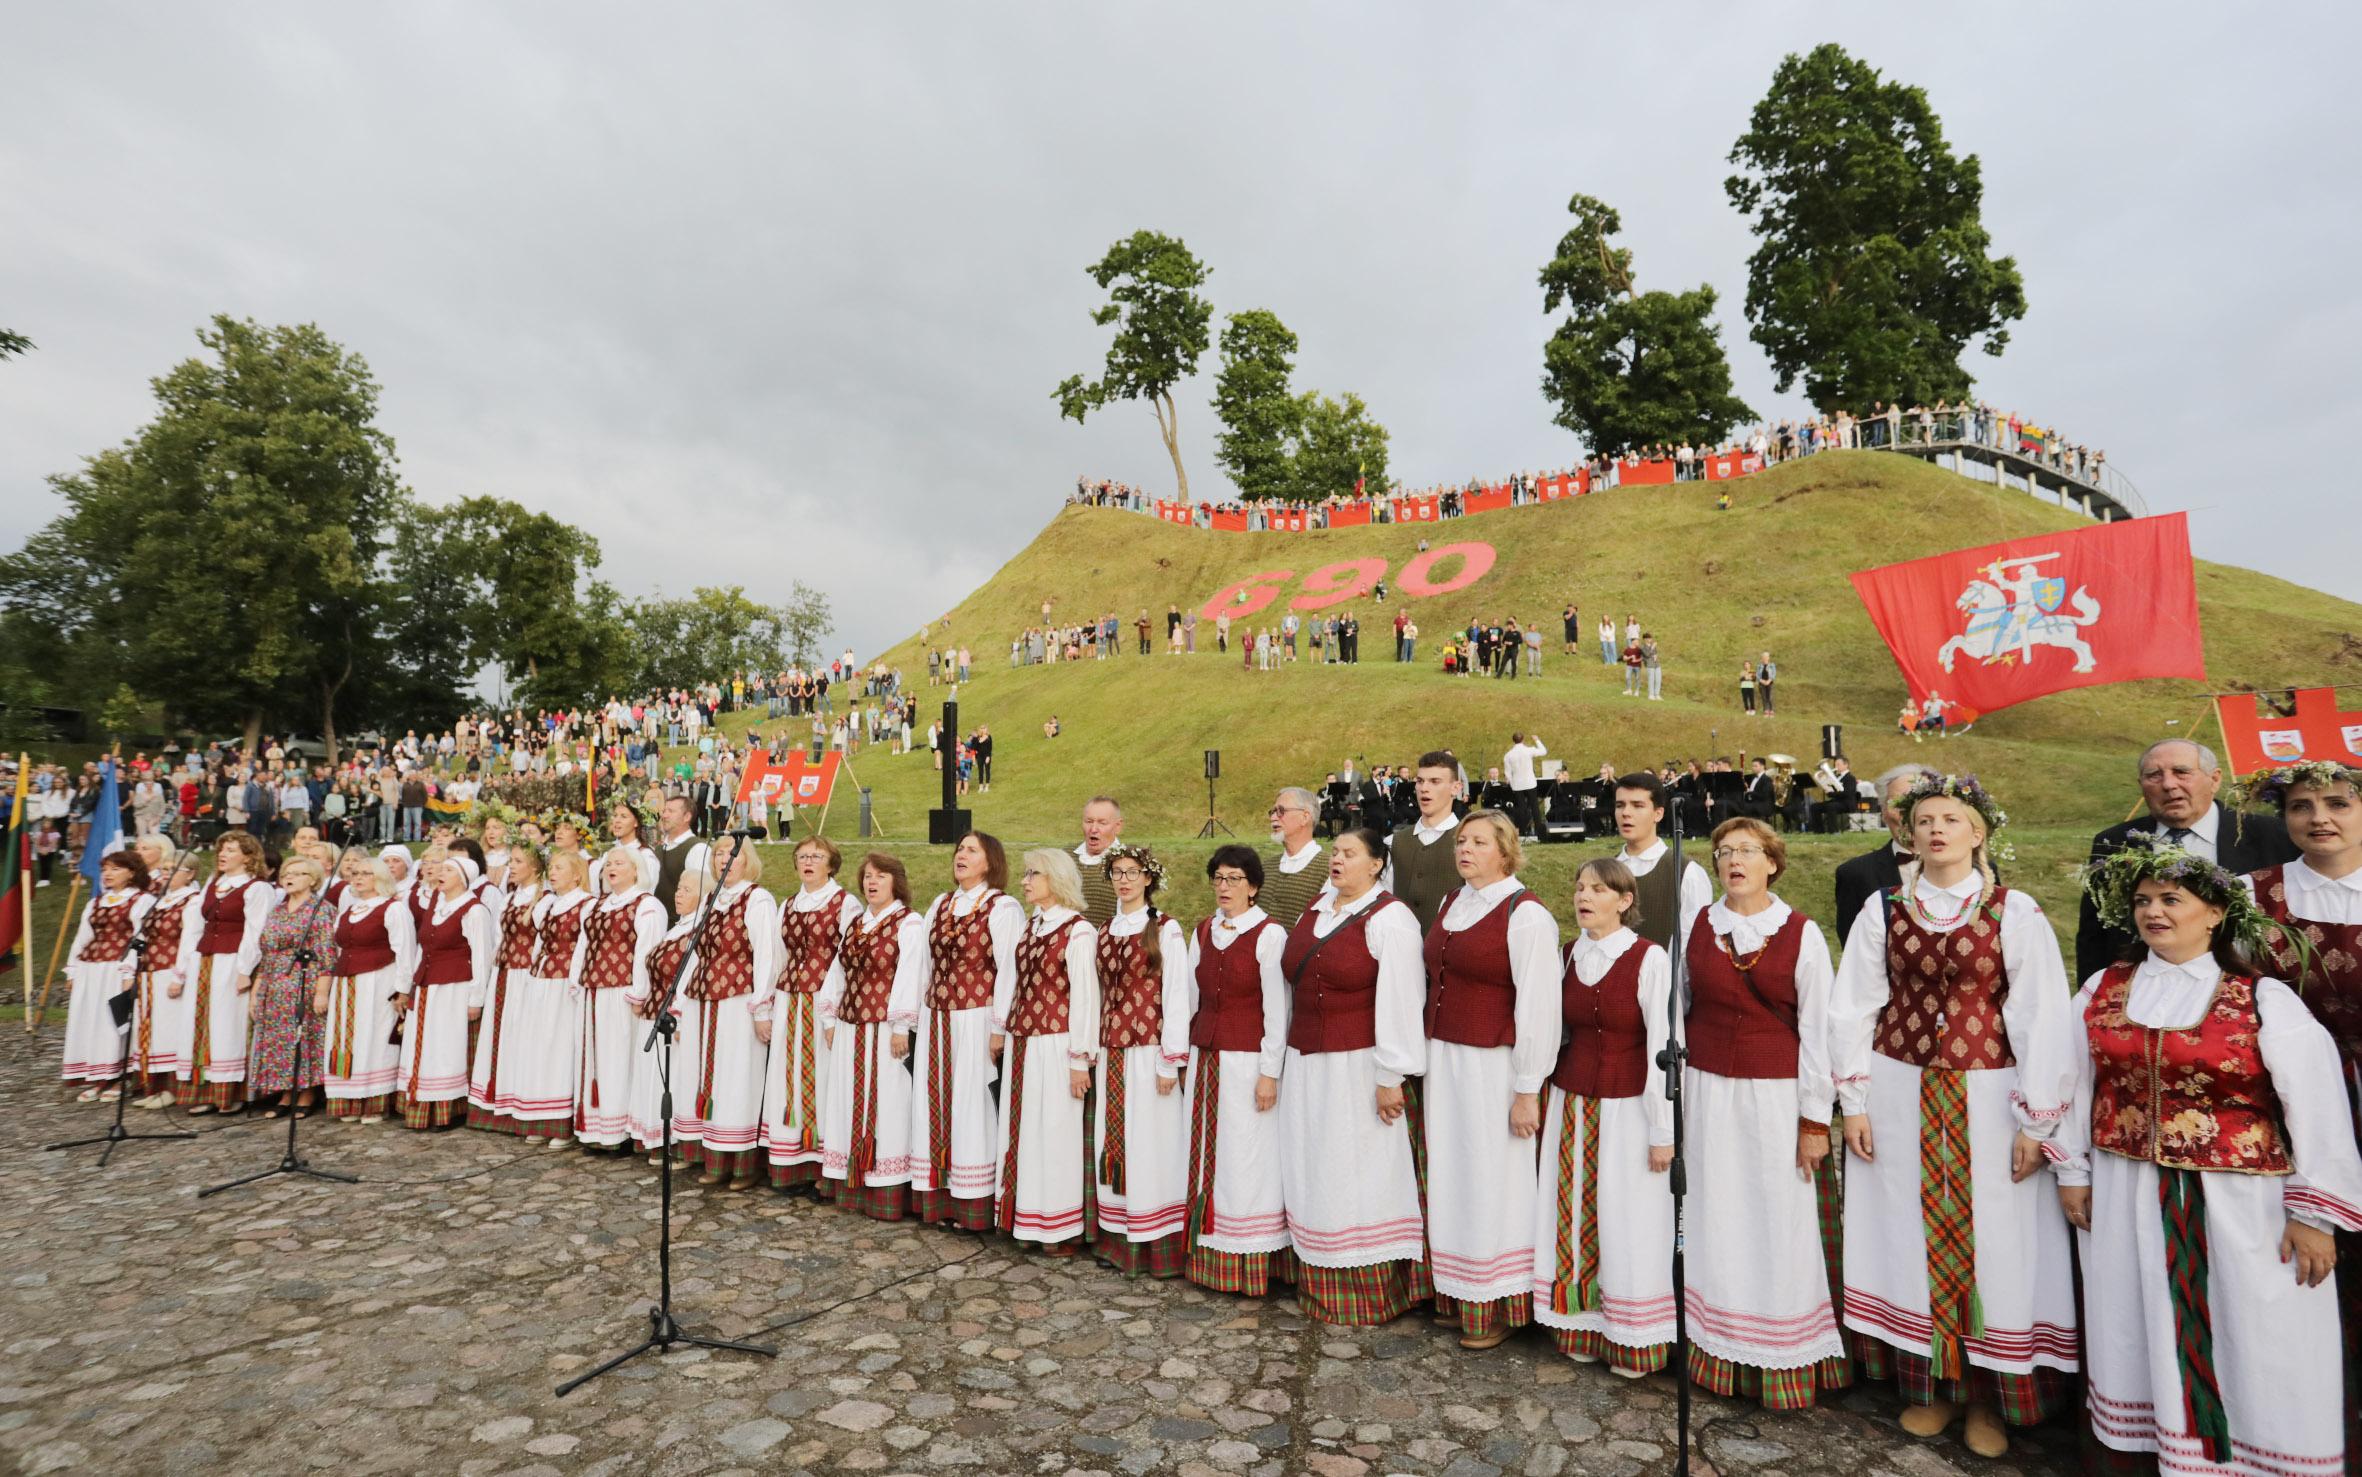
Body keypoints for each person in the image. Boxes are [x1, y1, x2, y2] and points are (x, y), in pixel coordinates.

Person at [2058, 840, 2362, 1473]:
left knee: (2254, 1325)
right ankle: (2161, 1453)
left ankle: (2262, 1456)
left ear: (2216, 913)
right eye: (2143, 901)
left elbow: (2317, 1105)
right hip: (2127, 1190)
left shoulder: (2260, 998)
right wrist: (2073, 1170)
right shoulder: (2101, 989)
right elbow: (2072, 1082)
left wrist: (2315, 1214)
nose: (2154, 912)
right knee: (2135, 1316)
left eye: (2172, 899)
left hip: (2241, 1202)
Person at [1830, 776, 2078, 1456]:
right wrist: (1854, 1101)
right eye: (1924, 820)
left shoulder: (2013, 910)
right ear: (1909, 835)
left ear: (1978, 832)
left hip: (1990, 1091)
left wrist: (2037, 1119)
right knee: (1908, 1227)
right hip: (1898, 1086)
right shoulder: (1885, 908)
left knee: (1992, 1235)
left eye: (1951, 818)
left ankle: (1986, 1396)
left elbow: (2040, 1013)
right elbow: (1854, 1003)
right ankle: (1930, 1383)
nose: (1937, 829)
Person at [1682, 817, 1850, 1407]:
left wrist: (1815, 1121)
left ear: (1772, 863)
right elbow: (1679, 1008)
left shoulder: (1800, 933)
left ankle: (1781, 1359)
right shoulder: (1697, 925)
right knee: (1716, 1212)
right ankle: (1716, 1351)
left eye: (1748, 851)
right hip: (1707, 1091)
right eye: (1725, 851)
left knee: (1776, 1215)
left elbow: (1818, 1031)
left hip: (1775, 1095)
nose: (1734, 861)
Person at [2241, 759, 2362, 1444]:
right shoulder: (2254, 894)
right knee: (2300, 1251)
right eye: (2302, 806)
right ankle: (2311, 1410)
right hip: (2288, 1100)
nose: (2320, 818)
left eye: (2338, 803)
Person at [1278, 826, 1429, 1324]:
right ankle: (1318, 1279)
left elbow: (1403, 999)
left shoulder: (1391, 919)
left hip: (1358, 1066)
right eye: (1335, 851)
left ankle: (1368, 1290)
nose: (1337, 859)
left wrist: (1390, 1075)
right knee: (1314, 1165)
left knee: (1359, 1171)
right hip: (1307, 1063)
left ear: (1376, 864)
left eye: (1350, 853)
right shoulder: (1316, 909)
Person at [1421, 810, 1559, 1349]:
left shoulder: (1525, 915)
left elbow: (1539, 1008)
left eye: (1479, 842)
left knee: (1491, 1175)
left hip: (1494, 1063)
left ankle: (1497, 1300)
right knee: (1452, 1171)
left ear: (1505, 851)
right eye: (1461, 841)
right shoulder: (1451, 903)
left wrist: (1527, 1088)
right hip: (1445, 1056)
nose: (1465, 849)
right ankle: (1457, 1291)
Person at [1531, 859, 1675, 1374]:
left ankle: (1632, 1339)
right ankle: (1579, 1324)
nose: (1583, 897)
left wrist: (1662, 1128)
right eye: (1579, 887)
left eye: (1597, 889)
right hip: (1571, 1100)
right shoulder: (1569, 954)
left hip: (1628, 1105)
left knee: (1626, 1215)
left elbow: (1664, 1044)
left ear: (1625, 901)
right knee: (1572, 1210)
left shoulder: (1648, 958)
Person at [2075, 740, 2299, 983]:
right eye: (2154, 775)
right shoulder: (2114, 843)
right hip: (2143, 988)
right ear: (2141, 785)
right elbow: (2094, 937)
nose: (2168, 784)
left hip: (2244, 987)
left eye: (2181, 772)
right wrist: (2095, 995)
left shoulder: (2274, 836)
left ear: (2214, 779)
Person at [1182, 845, 1293, 1296]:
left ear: (1254, 887)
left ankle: (1250, 1260)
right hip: (1206, 1058)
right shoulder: (1204, 931)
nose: (1224, 887)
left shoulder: (1269, 934)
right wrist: (1184, 1054)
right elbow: (1191, 999)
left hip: (1248, 1062)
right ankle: (1209, 1256)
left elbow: (1277, 1010)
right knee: (1207, 1154)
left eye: (1234, 879)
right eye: (1219, 878)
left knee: (1246, 1156)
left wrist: (1270, 1072)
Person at [910, 832, 1024, 1229]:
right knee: (936, 1101)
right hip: (937, 1018)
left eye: (971, 850)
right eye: (959, 848)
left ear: (990, 862)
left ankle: (973, 1204)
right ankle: (938, 1198)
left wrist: (999, 1027)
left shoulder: (1002, 907)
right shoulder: (941, 904)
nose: (961, 854)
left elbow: (1010, 970)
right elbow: (923, 963)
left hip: (977, 1017)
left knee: (972, 1104)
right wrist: (915, 1015)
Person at [1090, 843, 1191, 1276]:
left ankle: (1156, 1246)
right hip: (1111, 1049)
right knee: (1114, 1141)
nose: (1124, 880)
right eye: (1117, 872)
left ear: (1148, 879)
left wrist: (1170, 1059)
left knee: (1151, 1142)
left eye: (1132, 872)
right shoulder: (1105, 929)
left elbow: (1177, 993)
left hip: (1150, 1050)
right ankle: (1118, 1241)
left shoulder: (1165, 928)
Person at [995, 848, 1100, 1253]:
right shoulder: (1031, 926)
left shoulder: (1078, 931)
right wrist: (1002, 1028)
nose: (1024, 881)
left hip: (1057, 1043)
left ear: (1054, 878)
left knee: (1056, 1131)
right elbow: (1012, 982)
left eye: (1032, 873)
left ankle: (1059, 1226)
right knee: (1025, 1130)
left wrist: (1080, 1060)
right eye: (1025, 874)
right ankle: (1028, 1220)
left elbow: (1085, 999)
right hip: (1024, 1040)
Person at [816, 852, 925, 1220]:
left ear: (896, 881)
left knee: (887, 1101)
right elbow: (838, 969)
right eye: (867, 876)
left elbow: (910, 973)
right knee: (848, 1099)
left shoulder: (909, 923)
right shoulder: (857, 923)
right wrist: (829, 1016)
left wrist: (901, 1026)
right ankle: (852, 1185)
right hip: (850, 1024)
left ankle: (886, 1191)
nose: (871, 882)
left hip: (884, 1027)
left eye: (880, 876)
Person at [761, 837, 862, 1191]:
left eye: (817, 856)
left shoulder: (845, 903)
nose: (808, 861)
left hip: (825, 1000)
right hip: (790, 999)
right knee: (788, 1075)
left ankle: (824, 1165)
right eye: (803, 856)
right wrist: (765, 1006)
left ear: (832, 864)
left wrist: (835, 1008)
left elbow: (849, 957)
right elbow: (777, 957)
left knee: (825, 1073)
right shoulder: (788, 905)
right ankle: (792, 1163)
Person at [676, 840, 779, 1188]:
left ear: (747, 861)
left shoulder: (757, 899)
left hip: (738, 1000)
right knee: (706, 1077)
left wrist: (762, 1007)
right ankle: (715, 1158)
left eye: (733, 855)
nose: (725, 860)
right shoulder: (710, 899)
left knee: (737, 1078)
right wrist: (680, 1004)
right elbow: (694, 953)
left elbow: (766, 955)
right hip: (703, 998)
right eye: (719, 854)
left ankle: (743, 1163)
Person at [176, 831, 274, 1115]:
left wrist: (245, 969)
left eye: (231, 850)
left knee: (228, 1022)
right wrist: (186, 965)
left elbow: (256, 930)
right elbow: (195, 926)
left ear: (248, 856)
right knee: (202, 1022)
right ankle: (206, 1089)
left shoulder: (256, 888)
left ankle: (232, 1091)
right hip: (205, 960)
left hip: (233, 960)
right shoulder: (214, 884)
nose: (223, 854)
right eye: (222, 849)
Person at [397, 854, 494, 1130]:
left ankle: (449, 1108)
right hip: (427, 985)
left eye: (449, 870)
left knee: (445, 1047)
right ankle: (422, 1104)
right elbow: (423, 948)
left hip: (454, 987)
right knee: (425, 1045)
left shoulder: (474, 910)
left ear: (463, 878)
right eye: (441, 869)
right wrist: (412, 984)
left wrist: (476, 999)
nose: (441, 873)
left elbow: (481, 957)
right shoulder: (436, 905)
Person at [245, 854, 340, 1118]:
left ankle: (307, 1091)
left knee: (304, 1037)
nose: (289, 877)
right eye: (286, 873)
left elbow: (327, 954)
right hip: (274, 982)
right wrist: (257, 991)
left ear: (312, 879)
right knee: (278, 1039)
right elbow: (266, 953)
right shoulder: (277, 910)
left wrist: (322, 992)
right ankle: (286, 1091)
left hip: (304, 980)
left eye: (297, 873)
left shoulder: (321, 909)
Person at [321, 848, 411, 1123]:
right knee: (345, 1037)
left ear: (380, 877)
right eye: (355, 873)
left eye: (366, 873)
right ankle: (348, 1098)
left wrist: (402, 990)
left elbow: (405, 950)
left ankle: (373, 1101)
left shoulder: (393, 908)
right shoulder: (348, 911)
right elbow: (339, 949)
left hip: (379, 980)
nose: (358, 877)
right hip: (346, 983)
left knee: (373, 1036)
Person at [628, 868, 711, 1157]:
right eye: (678, 889)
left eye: (687, 890)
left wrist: (680, 1015)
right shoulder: (677, 928)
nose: (678, 894)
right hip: (655, 1008)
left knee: (673, 1077)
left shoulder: (699, 930)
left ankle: (675, 1142)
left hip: (675, 1014)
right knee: (653, 1075)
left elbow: (692, 975)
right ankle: (654, 1137)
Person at [507, 849, 588, 1143]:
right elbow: (540, 942)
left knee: (559, 1047)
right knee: (539, 1045)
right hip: (542, 979)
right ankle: (540, 1117)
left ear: (577, 875)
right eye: (551, 868)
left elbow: (583, 947)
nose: (552, 873)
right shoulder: (548, 904)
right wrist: (533, 974)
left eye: (560, 868)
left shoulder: (586, 904)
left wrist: (575, 982)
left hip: (564, 982)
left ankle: (561, 1123)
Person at [60, 851, 154, 1098]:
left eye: (115, 869)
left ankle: (119, 1077)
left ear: (131, 873)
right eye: (105, 870)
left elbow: (140, 938)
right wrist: (73, 969)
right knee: (91, 1021)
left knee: (113, 1022)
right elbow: (83, 937)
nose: (108, 874)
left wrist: (129, 970)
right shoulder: (96, 902)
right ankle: (98, 1076)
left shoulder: (141, 900)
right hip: (91, 968)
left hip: (116, 968)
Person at [467, 848, 544, 1133]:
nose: (511, 866)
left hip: (526, 975)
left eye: (518, 862)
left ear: (535, 868)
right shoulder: (509, 899)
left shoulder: (544, 899)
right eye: (511, 861)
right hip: (505, 972)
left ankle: (521, 1102)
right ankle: (497, 1101)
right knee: (500, 1036)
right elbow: (499, 939)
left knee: (521, 1036)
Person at [1832, 765, 1938, 947]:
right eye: (1899, 803)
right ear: (1883, 812)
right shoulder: (1855, 874)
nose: (1911, 813)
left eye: (1921, 801)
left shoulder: (1977, 871)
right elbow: (1853, 950)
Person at [1604, 774, 1711, 954]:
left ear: (1658, 813)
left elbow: (1694, 946)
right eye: (1620, 805)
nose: (1626, 813)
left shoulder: (1686, 872)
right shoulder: (1604, 872)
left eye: (1638, 805)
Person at [128, 854, 202, 1109]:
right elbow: (140, 935)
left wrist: (179, 975)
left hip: (171, 969)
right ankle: (154, 1086)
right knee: (151, 1028)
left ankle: (173, 1087)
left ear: (190, 874)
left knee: (171, 1029)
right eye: (164, 868)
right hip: (149, 969)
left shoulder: (192, 901)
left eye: (174, 868)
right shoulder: (158, 900)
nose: (167, 873)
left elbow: (189, 940)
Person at [1381, 751, 1462, 934]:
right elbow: (1382, 904)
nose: (1424, 788)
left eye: (1435, 781)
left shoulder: (1470, 843)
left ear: (1455, 788)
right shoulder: (1393, 843)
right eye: (1420, 781)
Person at [1262, 787, 1328, 927]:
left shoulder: (1329, 871)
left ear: (1305, 817)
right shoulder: (1265, 867)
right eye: (1272, 812)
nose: (1273, 818)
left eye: (1281, 811)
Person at [647, 795, 710, 927]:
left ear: (687, 817)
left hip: (682, 928)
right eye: (664, 811)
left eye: (671, 811)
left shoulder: (697, 849)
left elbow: (702, 896)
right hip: (656, 924)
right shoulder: (659, 848)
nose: (664, 815)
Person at [1074, 795, 1124, 929]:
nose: (1093, 829)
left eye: (1102, 823)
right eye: (1089, 821)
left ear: (1118, 826)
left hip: (1109, 940)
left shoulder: (1128, 863)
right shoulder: (1064, 857)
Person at [1501, 733, 1547, 840]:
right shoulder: (1528, 750)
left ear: (1513, 740)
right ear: (1523, 740)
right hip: (1530, 782)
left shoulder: (1508, 755)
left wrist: (1511, 783)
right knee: (1535, 807)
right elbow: (1543, 751)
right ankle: (1539, 833)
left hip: (1517, 784)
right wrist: (1537, 740)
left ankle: (1522, 832)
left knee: (1521, 808)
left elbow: (1507, 772)